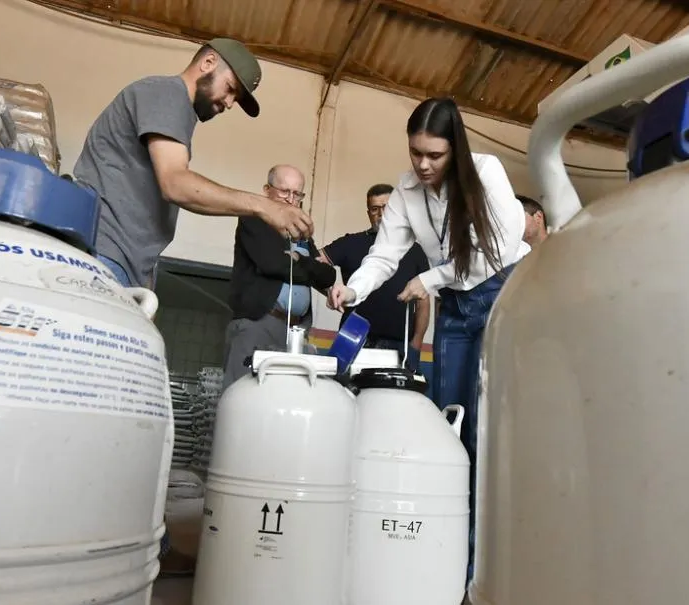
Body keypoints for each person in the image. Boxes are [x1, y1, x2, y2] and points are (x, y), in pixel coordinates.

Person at [326, 96, 529, 581]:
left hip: (503, 294)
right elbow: (384, 255)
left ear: (454, 149)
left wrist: (431, 280)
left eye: (434, 156)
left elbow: (501, 246)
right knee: (450, 425)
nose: (422, 164)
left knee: (486, 431)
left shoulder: (487, 172)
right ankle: (445, 551)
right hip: (458, 307)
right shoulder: (406, 189)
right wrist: (352, 288)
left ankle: (482, 566)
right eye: (416, 152)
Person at [73, 38, 313, 289]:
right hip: (106, 253)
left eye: (236, 98)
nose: (229, 103)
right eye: (230, 88)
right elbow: (175, 184)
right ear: (208, 62)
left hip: (129, 262)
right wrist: (265, 207)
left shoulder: (177, 111)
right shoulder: (167, 94)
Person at [222, 164, 336, 390]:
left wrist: (299, 259)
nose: (291, 200)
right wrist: (310, 267)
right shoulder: (253, 219)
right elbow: (272, 264)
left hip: (294, 330)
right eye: (285, 192)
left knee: (282, 396)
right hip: (259, 322)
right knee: (242, 394)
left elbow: (328, 276)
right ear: (267, 190)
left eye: (297, 194)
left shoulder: (301, 231)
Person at [318, 184, 430, 371]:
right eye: (375, 209)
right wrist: (330, 290)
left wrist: (416, 344)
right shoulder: (350, 243)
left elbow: (423, 303)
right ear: (368, 212)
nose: (381, 214)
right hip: (352, 338)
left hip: (399, 344)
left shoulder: (416, 251)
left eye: (387, 208)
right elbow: (314, 262)